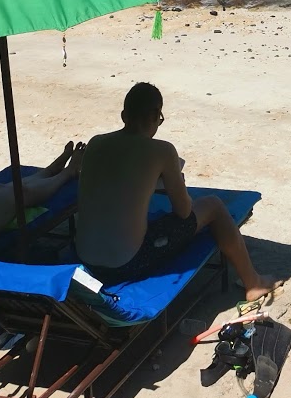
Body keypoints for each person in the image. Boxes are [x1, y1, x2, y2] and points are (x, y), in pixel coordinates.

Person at [76, 82, 274, 298]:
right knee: (214, 205)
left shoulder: (95, 144)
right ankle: (253, 283)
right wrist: (174, 179)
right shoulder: (162, 150)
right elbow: (184, 212)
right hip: (125, 265)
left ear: (124, 115)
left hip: (85, 259)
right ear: (155, 116)